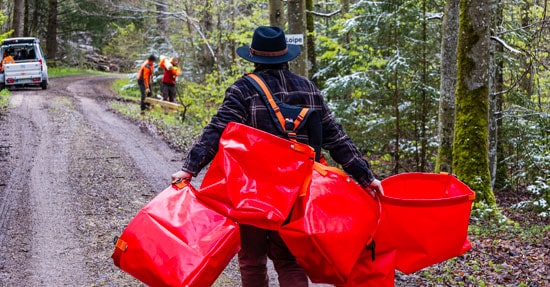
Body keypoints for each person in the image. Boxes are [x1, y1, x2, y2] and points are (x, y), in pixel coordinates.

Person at [171, 26, 384, 287]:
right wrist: (366, 176)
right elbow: (335, 137)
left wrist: (189, 169)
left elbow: (217, 129)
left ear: (254, 57)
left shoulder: (243, 89)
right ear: (286, 56)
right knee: (289, 260)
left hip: (251, 192)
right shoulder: (308, 88)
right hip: (296, 192)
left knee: (252, 259)